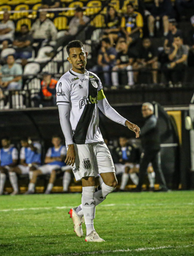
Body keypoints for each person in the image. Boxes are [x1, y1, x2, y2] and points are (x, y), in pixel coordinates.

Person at [56, 40, 140, 242]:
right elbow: (63, 117)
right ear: (69, 59)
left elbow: (105, 107)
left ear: (86, 55)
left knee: (111, 183)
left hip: (97, 138)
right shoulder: (64, 82)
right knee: (89, 181)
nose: (79, 58)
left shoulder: (94, 79)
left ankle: (79, 210)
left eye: (81, 54)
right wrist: (69, 145)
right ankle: (91, 232)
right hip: (80, 140)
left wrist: (126, 122)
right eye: (74, 56)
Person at [134, 102, 168, 192]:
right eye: (142, 110)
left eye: (145, 110)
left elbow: (143, 131)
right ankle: (163, 187)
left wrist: (138, 132)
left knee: (143, 167)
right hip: (153, 148)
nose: (143, 112)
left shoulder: (152, 120)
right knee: (156, 168)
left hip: (150, 148)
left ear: (151, 110)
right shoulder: (151, 119)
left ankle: (139, 187)